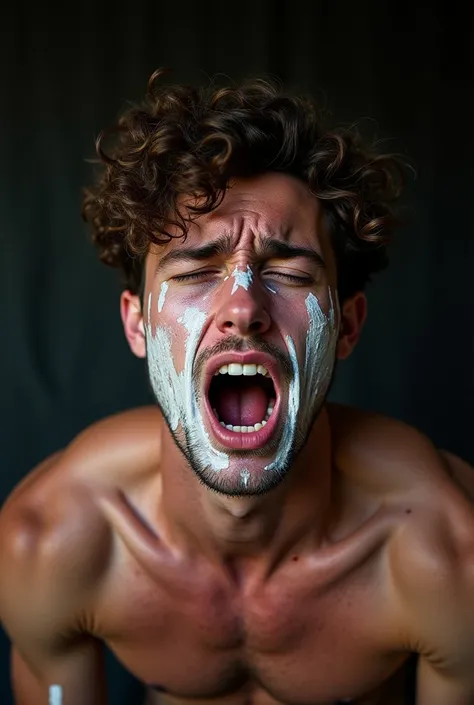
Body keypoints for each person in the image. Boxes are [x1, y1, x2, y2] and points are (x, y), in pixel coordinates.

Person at [1, 69, 473, 705]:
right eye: (197, 269)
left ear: (348, 327)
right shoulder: (54, 540)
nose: (243, 307)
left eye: (288, 271)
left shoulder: (451, 552)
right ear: (137, 324)